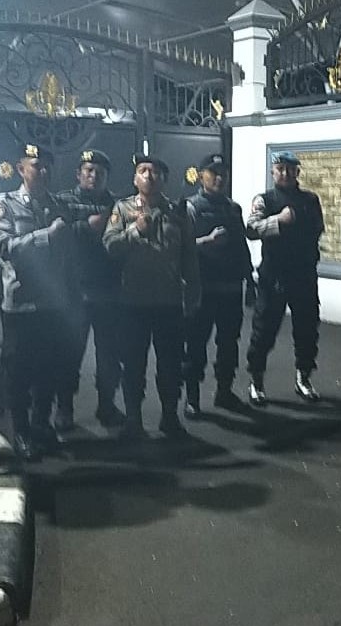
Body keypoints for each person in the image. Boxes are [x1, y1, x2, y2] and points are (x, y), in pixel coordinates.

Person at [103, 154, 201, 439]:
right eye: (143, 171)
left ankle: (169, 416)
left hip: (169, 301)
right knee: (133, 364)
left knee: (170, 364)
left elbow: (189, 255)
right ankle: (133, 419)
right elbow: (110, 246)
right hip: (133, 302)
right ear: (135, 179)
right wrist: (135, 230)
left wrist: (193, 292)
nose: (149, 176)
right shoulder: (122, 209)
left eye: (155, 172)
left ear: (164, 179)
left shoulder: (179, 211)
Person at [0, 142, 81, 459]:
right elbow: (5, 247)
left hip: (52, 302)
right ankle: (21, 432)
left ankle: (41, 425)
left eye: (47, 166)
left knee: (49, 369)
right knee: (18, 371)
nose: (43, 172)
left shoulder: (58, 205)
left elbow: (69, 254)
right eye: (36, 166)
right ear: (21, 169)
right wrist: (46, 236)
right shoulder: (5, 204)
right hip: (21, 302)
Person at [244, 151, 324, 406]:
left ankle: (304, 377)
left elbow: (317, 228)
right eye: (280, 169)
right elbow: (251, 229)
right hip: (274, 277)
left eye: (290, 169)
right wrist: (279, 220)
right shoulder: (264, 200)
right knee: (264, 331)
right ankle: (256, 380)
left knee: (307, 330)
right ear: (273, 172)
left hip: (303, 275)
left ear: (298, 172)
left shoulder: (310, 200)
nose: (286, 173)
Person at [56, 149, 127, 428]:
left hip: (109, 291)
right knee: (69, 353)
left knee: (109, 355)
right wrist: (86, 227)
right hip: (74, 291)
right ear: (79, 174)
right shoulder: (63, 201)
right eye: (89, 171)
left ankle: (106, 405)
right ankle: (64, 409)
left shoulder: (118, 205)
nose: (94, 176)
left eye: (100, 172)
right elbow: (57, 236)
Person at [183, 153, 252, 416]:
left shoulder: (233, 208)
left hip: (230, 288)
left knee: (229, 343)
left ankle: (224, 391)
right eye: (213, 173)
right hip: (202, 288)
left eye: (223, 173)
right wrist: (207, 241)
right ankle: (192, 398)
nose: (219, 178)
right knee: (196, 343)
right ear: (202, 176)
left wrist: (249, 280)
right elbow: (181, 247)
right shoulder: (190, 207)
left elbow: (242, 246)